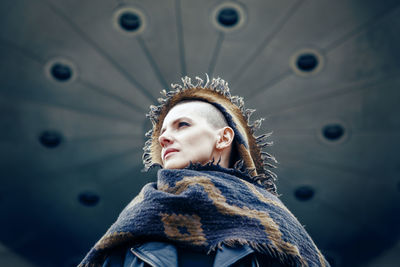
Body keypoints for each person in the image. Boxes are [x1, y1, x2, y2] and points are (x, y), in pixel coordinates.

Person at [79, 75, 330, 267]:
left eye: (182, 125)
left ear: (223, 138)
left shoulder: (278, 223)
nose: (164, 138)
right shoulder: (133, 219)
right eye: (163, 132)